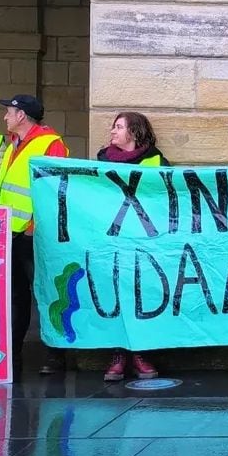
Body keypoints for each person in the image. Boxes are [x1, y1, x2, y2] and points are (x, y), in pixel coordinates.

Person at [0, 94, 69, 378]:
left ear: (21, 115)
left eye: (9, 112)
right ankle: (13, 353)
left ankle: (56, 355)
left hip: (34, 234)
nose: (5, 117)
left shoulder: (50, 143)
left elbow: (55, 191)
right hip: (11, 232)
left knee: (47, 295)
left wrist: (34, 225)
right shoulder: (14, 143)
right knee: (16, 297)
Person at [97, 111, 170, 381]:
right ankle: (118, 354)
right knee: (115, 296)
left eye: (119, 127)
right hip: (113, 240)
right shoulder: (102, 161)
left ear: (134, 132)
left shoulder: (156, 161)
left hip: (144, 242)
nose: (112, 131)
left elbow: (166, 197)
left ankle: (140, 353)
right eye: (114, 127)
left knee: (142, 297)